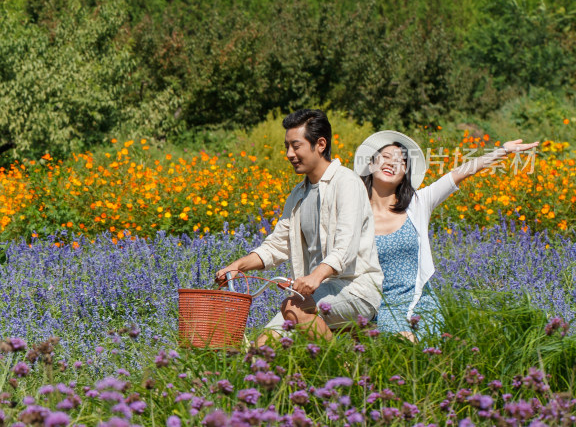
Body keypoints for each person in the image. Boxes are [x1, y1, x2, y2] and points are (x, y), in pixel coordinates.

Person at [353, 130, 538, 341]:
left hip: (418, 301)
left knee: (412, 342)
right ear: (371, 163)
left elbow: (459, 173)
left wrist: (502, 151)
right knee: (395, 343)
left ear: (405, 173)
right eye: (386, 157)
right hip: (377, 304)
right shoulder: (355, 212)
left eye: (401, 161)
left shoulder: (418, 203)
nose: (392, 163)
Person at [215, 109, 383, 342]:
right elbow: (276, 246)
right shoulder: (298, 195)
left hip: (355, 289)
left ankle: (343, 372)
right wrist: (238, 266)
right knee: (260, 347)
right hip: (313, 295)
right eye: (287, 147)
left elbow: (345, 248)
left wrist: (315, 277)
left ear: (320, 144)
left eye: (296, 146)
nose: (289, 154)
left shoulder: (347, 183)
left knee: (293, 309)